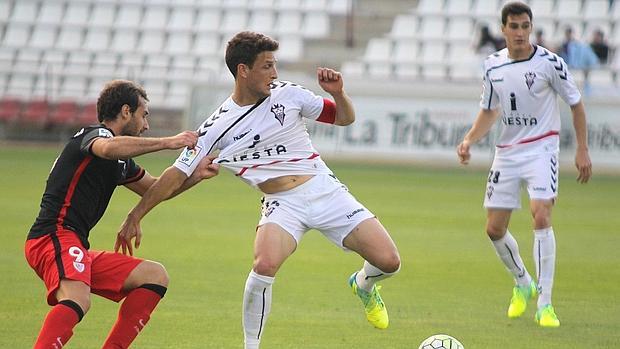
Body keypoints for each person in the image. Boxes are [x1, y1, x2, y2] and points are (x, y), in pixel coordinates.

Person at [116, 31, 401, 348]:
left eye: (274, 65)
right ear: (243, 70)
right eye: (267, 66)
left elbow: (344, 119)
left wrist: (339, 94)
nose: (274, 73)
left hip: (323, 189)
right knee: (264, 264)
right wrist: (136, 214)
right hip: (282, 204)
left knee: (389, 261)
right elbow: (174, 174)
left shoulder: (289, 94)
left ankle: (363, 284)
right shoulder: (216, 125)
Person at [25, 79, 218, 348]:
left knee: (154, 276)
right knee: (77, 299)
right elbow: (107, 148)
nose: (146, 125)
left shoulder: (121, 160)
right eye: (144, 115)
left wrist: (195, 175)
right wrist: (168, 142)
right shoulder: (94, 136)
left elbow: (154, 188)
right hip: (53, 236)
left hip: (73, 243)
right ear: (126, 111)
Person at [456, 2, 592, 328]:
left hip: (542, 149)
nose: (520, 32)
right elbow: (490, 110)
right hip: (507, 152)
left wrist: (583, 149)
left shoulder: (550, 64)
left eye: (525, 26)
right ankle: (522, 281)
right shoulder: (492, 66)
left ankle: (545, 304)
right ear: (503, 29)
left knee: (541, 213)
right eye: (514, 26)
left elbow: (575, 104)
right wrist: (469, 140)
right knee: (494, 229)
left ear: (531, 27)